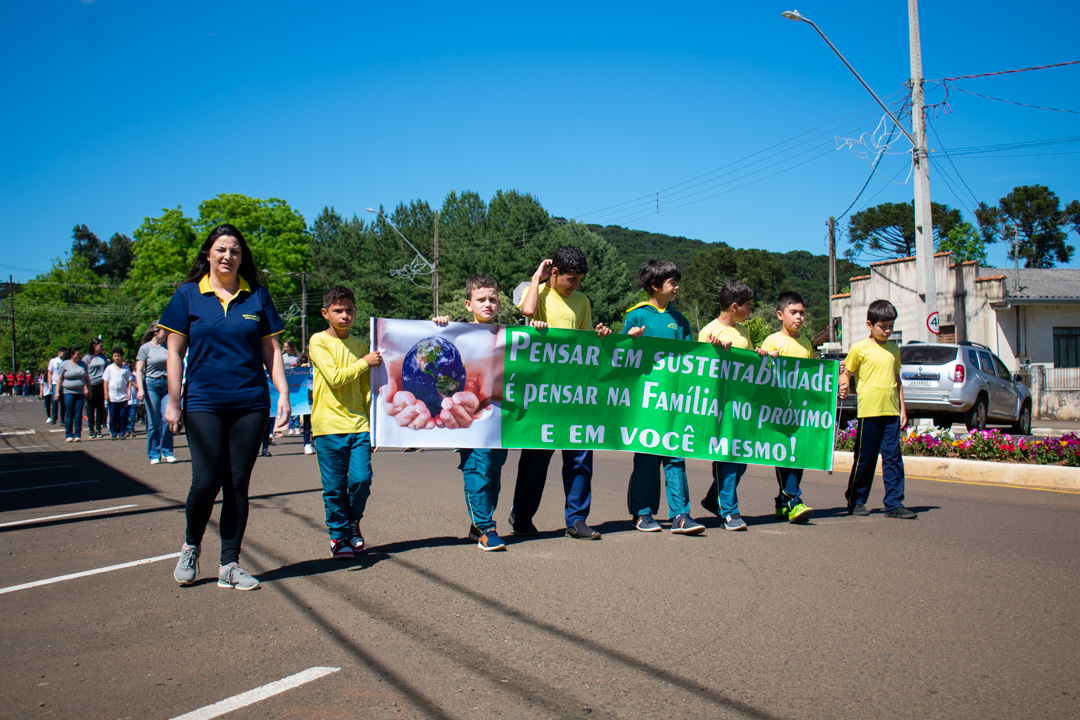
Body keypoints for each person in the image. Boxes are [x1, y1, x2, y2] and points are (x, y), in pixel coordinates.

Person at [162, 223, 290, 590]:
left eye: (235, 251)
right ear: (208, 253)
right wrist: (173, 400)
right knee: (205, 481)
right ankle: (191, 546)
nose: (228, 256)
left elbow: (271, 350)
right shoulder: (188, 295)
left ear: (241, 257)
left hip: (250, 402)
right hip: (203, 401)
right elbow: (174, 350)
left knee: (236, 483)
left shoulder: (257, 297)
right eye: (221, 249)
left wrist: (282, 393)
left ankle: (230, 564)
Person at [510, 245, 612, 541]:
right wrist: (535, 278)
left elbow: (586, 342)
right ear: (554, 273)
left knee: (580, 457)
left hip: (575, 392)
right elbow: (527, 311)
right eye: (571, 279)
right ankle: (523, 515)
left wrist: (601, 335)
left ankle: (577, 518)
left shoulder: (582, 300)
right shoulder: (536, 293)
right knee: (536, 458)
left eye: (579, 280)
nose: (576, 286)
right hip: (542, 392)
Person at [623, 260, 705, 536]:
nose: (677, 286)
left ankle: (681, 515)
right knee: (646, 456)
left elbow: (693, 359)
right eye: (672, 282)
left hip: (675, 401)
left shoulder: (679, 320)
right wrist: (630, 339)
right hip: (646, 402)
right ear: (655, 286)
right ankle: (642, 513)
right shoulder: (635, 316)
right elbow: (621, 357)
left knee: (675, 455)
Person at [429, 275, 510, 551]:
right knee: (478, 469)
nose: (488, 304)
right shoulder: (456, 333)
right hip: (469, 419)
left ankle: (478, 526)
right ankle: (488, 529)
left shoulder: (510, 335)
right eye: (481, 299)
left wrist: (538, 327)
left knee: (494, 476)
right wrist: (440, 326)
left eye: (493, 299)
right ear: (468, 304)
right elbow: (433, 355)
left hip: (499, 421)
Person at [308, 285, 381, 559]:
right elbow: (336, 377)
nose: (345, 315)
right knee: (334, 487)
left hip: (359, 425)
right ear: (326, 312)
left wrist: (374, 426)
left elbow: (366, 391)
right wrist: (364, 362)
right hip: (327, 427)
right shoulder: (317, 341)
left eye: (349, 310)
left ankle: (353, 522)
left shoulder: (361, 345)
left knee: (362, 479)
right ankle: (338, 536)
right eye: (338, 310)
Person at [698, 279, 775, 531]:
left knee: (741, 458)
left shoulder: (743, 331)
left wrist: (760, 354)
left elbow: (748, 363)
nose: (751, 311)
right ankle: (729, 511)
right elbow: (700, 368)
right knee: (727, 458)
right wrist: (715, 351)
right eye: (749, 307)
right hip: (721, 405)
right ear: (734, 306)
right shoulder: (708, 331)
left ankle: (713, 498)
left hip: (743, 404)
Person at [838, 300, 917, 519]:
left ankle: (894, 503)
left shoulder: (893, 349)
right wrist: (843, 386)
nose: (888, 331)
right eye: (883, 326)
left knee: (892, 458)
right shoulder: (860, 348)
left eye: (891, 326)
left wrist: (903, 409)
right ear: (869, 325)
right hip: (868, 413)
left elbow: (896, 378)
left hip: (891, 413)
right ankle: (857, 500)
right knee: (866, 458)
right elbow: (846, 371)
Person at [760, 291, 815, 524]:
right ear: (780, 315)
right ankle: (793, 500)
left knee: (797, 456)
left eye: (802, 313)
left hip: (800, 410)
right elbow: (761, 372)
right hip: (779, 410)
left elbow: (813, 378)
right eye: (794, 312)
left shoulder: (806, 343)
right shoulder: (772, 341)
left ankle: (783, 504)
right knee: (786, 456)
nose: (799, 317)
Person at [136, 322, 176, 464]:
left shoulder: (168, 347)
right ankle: (154, 454)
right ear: (155, 332)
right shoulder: (145, 348)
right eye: (164, 331)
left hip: (166, 384)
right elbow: (139, 370)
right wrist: (140, 389)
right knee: (153, 421)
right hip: (151, 384)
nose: (166, 334)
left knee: (167, 419)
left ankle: (167, 451)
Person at [57, 346, 91, 442]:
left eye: (80, 354)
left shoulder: (82, 364)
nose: (79, 356)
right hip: (68, 392)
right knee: (69, 413)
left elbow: (86, 378)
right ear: (72, 355)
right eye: (77, 354)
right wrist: (57, 391)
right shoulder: (64, 364)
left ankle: (77, 434)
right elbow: (60, 378)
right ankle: (68, 434)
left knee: (78, 413)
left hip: (80, 392)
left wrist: (88, 389)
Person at [103, 346, 134, 440]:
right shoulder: (109, 368)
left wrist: (129, 393)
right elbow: (105, 382)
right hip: (112, 397)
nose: (117, 358)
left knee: (122, 416)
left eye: (119, 356)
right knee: (113, 416)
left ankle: (122, 432)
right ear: (112, 357)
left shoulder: (126, 369)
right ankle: (113, 432)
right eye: (115, 356)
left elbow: (129, 381)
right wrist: (106, 394)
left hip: (123, 397)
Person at [84, 339, 107, 438]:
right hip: (91, 384)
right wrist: (86, 387)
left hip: (101, 383)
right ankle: (91, 429)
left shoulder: (103, 357)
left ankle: (99, 428)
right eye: (100, 345)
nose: (101, 347)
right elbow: (84, 374)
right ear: (94, 345)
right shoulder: (87, 358)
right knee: (90, 407)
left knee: (100, 407)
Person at [48, 346, 67, 426]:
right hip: (55, 382)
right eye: (63, 353)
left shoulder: (66, 361)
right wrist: (49, 383)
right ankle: (54, 416)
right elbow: (50, 373)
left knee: (63, 402)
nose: (64, 354)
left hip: (64, 383)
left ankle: (63, 419)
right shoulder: (53, 361)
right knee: (55, 401)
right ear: (59, 352)